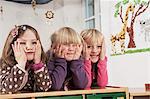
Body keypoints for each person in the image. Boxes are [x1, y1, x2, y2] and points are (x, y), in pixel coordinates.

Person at [0, 25, 52, 94]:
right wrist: (21, 65)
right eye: (23, 43)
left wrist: (37, 63)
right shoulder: (5, 64)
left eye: (33, 43)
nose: (29, 47)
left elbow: (45, 88)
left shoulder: (38, 65)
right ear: (12, 45)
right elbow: (7, 89)